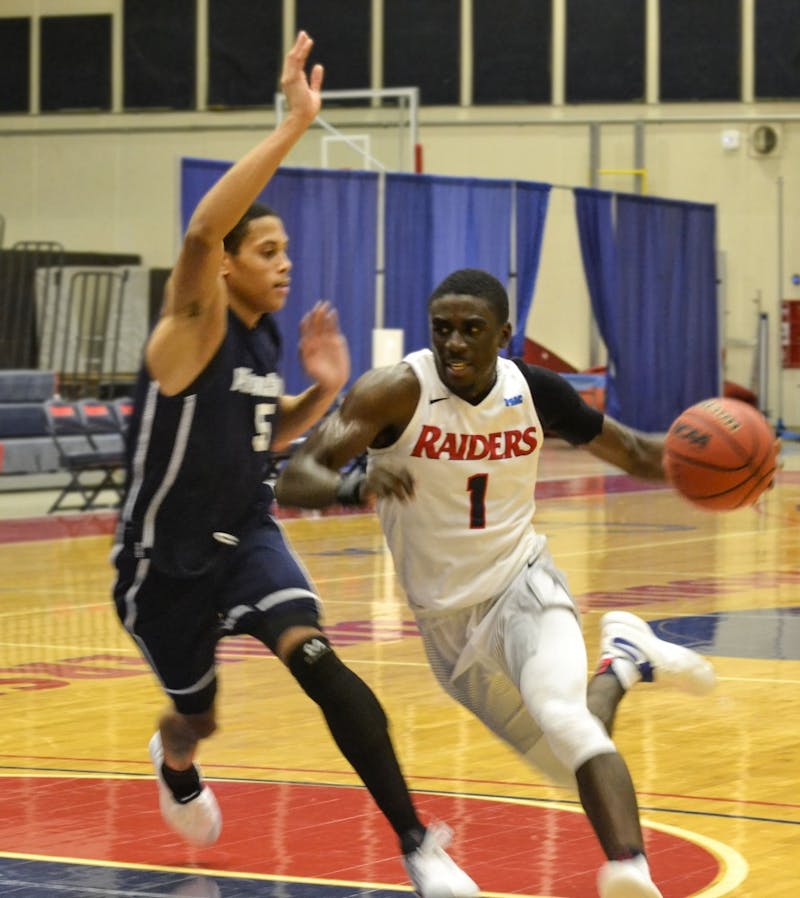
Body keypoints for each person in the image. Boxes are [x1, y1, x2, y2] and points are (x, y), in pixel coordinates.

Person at [110, 34, 479, 898]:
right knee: (196, 714)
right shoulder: (192, 321)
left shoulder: (263, 337)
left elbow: (257, 429)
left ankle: (418, 843)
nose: (285, 264)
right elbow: (204, 226)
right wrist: (295, 123)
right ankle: (175, 757)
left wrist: (320, 395)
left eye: (286, 252)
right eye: (268, 251)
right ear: (228, 264)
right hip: (165, 562)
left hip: (245, 533)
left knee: (315, 658)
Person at [274, 267, 727, 898]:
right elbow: (298, 475)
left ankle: (630, 872)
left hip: (525, 586)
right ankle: (623, 659)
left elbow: (641, 454)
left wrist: (721, 468)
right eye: (442, 330)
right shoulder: (394, 393)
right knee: (576, 758)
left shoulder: (537, 392)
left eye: (471, 330)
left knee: (566, 718)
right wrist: (355, 485)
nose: (454, 343)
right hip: (447, 625)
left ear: (505, 334)